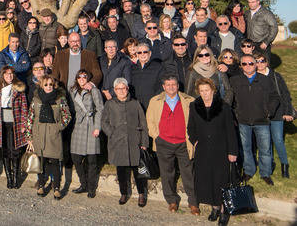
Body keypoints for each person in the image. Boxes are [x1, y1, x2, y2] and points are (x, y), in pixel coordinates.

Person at [187, 77, 238, 225]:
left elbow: (230, 131)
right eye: (202, 91)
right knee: (207, 180)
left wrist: (232, 152)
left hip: (221, 149)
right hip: (203, 150)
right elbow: (190, 127)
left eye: (207, 90)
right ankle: (214, 207)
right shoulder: (194, 106)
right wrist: (195, 140)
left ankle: (223, 210)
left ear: (213, 91)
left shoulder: (224, 107)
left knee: (220, 180)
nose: (204, 93)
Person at [146, 74, 198, 215]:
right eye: (168, 85)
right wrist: (157, 136)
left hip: (183, 142)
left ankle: (193, 202)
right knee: (167, 172)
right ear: (163, 87)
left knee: (188, 173)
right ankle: (172, 201)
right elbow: (149, 121)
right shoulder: (155, 101)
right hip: (164, 142)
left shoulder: (189, 101)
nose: (171, 87)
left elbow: (195, 121)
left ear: (178, 86)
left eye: (173, 84)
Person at [229, 54, 280, 185]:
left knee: (264, 149)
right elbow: (231, 99)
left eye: (251, 63)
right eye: (244, 64)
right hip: (243, 121)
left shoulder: (265, 80)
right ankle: (249, 170)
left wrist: (269, 112)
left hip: (261, 120)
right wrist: (235, 114)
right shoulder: (235, 80)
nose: (248, 66)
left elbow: (275, 97)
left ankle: (265, 173)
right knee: (245, 148)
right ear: (241, 66)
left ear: (256, 65)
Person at [101, 77, 149, 207]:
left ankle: (141, 194)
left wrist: (144, 142)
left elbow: (143, 123)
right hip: (118, 143)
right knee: (121, 171)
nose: (121, 91)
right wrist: (112, 133)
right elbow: (104, 122)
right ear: (115, 90)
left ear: (127, 89)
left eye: (124, 88)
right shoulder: (110, 104)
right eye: (118, 89)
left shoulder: (135, 103)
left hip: (135, 142)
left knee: (139, 171)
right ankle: (123, 193)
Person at [27, 75, 71, 199]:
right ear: (41, 85)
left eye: (50, 84)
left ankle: (56, 188)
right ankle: (41, 185)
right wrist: (29, 137)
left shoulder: (60, 99)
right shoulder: (36, 100)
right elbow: (30, 118)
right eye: (46, 85)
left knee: (55, 162)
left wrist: (58, 127)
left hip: (54, 135)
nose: (48, 87)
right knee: (41, 162)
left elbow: (67, 116)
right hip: (39, 134)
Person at [254, 50, 294, 179]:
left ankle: (284, 165)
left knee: (278, 140)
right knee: (265, 142)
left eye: (262, 61)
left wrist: (287, 112)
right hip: (262, 114)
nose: (260, 64)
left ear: (267, 62)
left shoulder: (276, 76)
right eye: (257, 61)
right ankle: (268, 165)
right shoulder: (253, 77)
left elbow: (285, 95)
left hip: (277, 113)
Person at [0, 66, 28, 189]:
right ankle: (9, 177)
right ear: (2, 76)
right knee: (5, 151)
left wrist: (24, 123)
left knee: (16, 151)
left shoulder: (19, 89)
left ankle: (16, 177)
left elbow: (24, 107)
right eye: (7, 74)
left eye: (11, 74)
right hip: (2, 123)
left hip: (15, 123)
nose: (9, 76)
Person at [70, 69, 103, 198]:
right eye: (79, 77)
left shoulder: (94, 90)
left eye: (85, 76)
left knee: (92, 160)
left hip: (91, 125)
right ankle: (83, 184)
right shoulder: (72, 91)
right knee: (76, 158)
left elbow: (100, 109)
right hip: (79, 126)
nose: (82, 79)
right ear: (77, 79)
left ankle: (91, 187)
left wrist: (97, 127)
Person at [130, 45, 163, 110]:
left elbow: (161, 86)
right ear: (136, 54)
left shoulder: (158, 67)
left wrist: (155, 101)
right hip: (136, 106)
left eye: (145, 52)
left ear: (150, 53)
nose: (142, 54)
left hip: (153, 105)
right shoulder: (132, 68)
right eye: (139, 52)